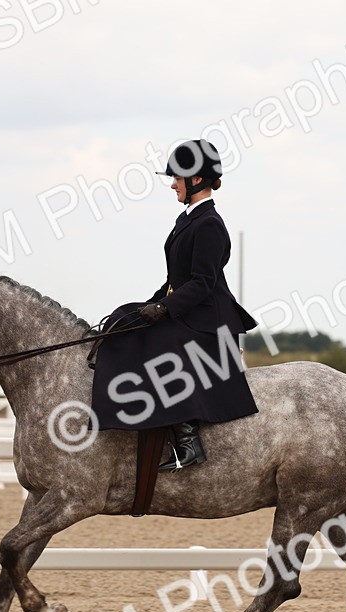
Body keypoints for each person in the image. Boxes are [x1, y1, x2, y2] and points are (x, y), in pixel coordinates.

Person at [89, 139, 258, 470]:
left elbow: (202, 283)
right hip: (190, 308)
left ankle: (187, 439)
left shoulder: (209, 223)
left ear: (196, 179)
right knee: (125, 318)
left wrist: (164, 309)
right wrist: (149, 305)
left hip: (208, 320)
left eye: (176, 178)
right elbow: (175, 280)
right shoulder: (189, 219)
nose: (172, 184)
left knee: (156, 346)